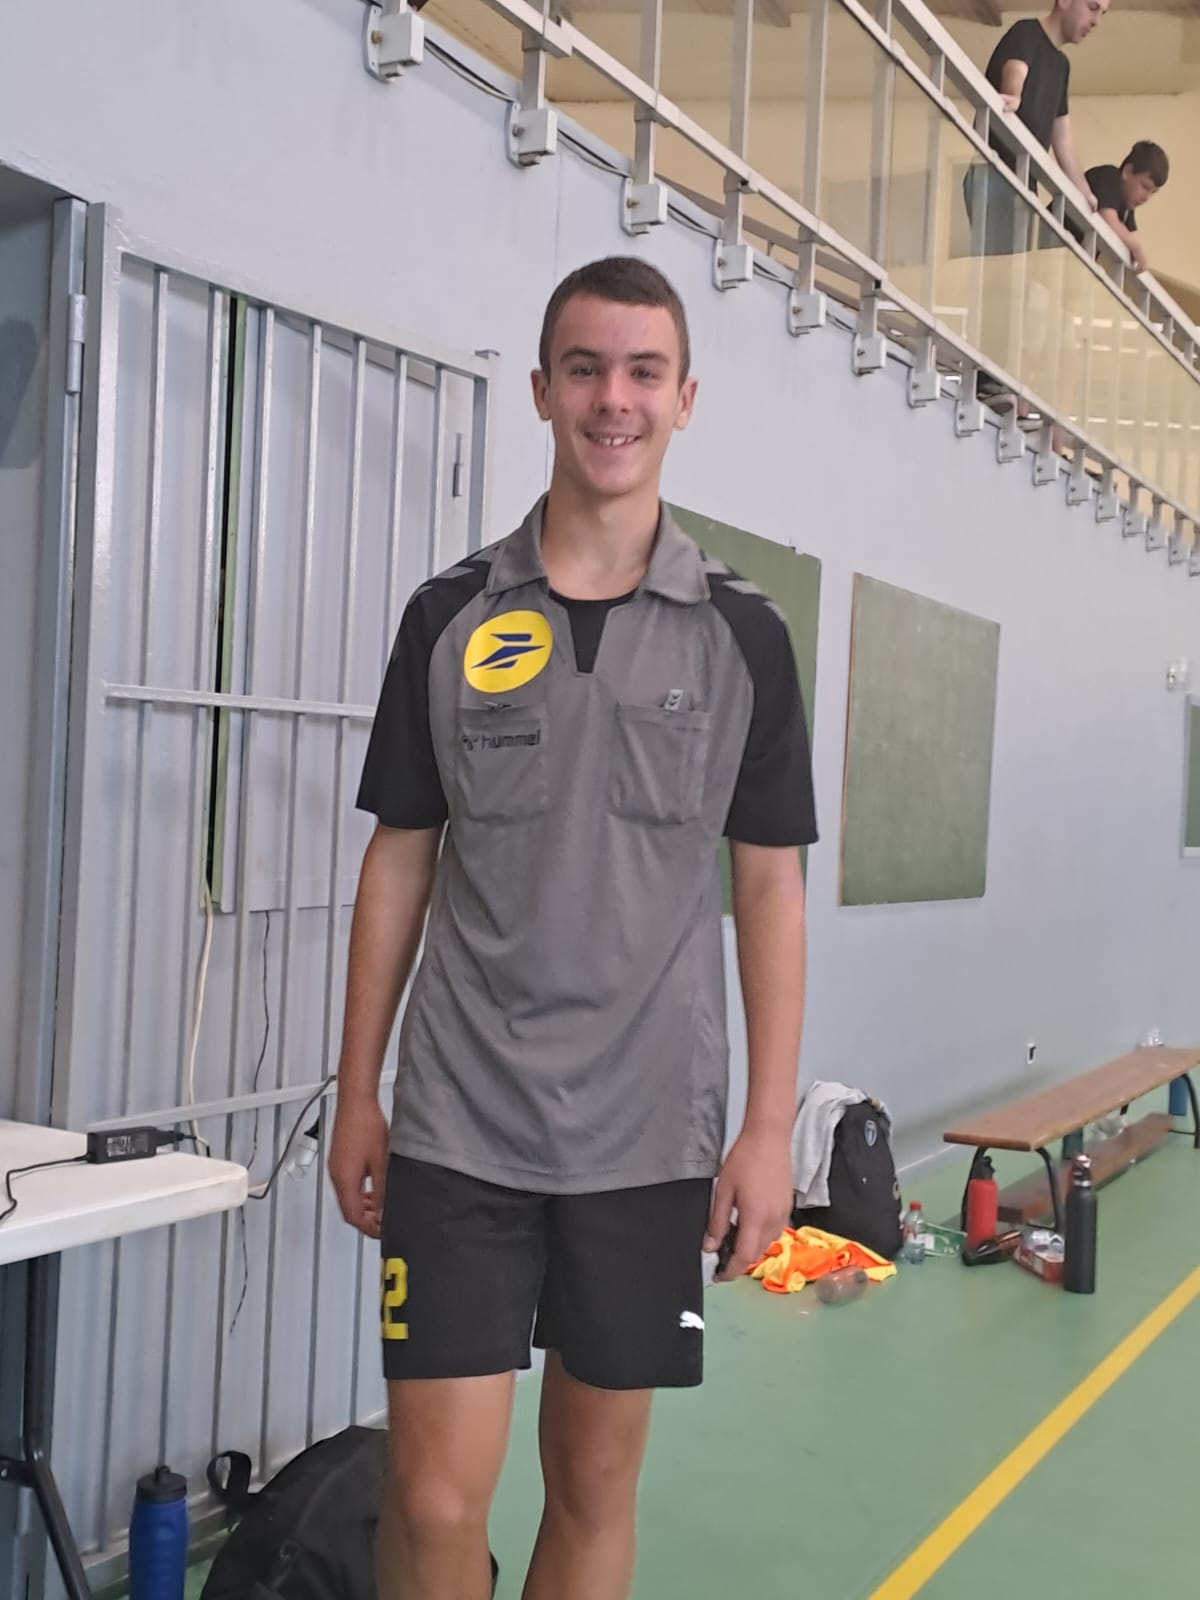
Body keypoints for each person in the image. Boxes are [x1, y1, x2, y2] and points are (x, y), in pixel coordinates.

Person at [329, 255, 817, 1600]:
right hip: (460, 1122)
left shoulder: (744, 637)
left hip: (647, 1136)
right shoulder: (449, 617)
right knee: (433, 1499)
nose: (615, 399)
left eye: (644, 371)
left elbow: (769, 888)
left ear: (685, 398)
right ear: (543, 390)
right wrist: (357, 1090)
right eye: (587, 369)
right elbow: (399, 859)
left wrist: (766, 1128)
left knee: (594, 1490)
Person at [967, 0, 1109, 257]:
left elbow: (1062, 138)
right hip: (994, 173)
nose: (1096, 21)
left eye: (1102, 13)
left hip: (1024, 185)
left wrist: (1085, 193)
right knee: (997, 267)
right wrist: (1014, 95)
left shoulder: (1062, 65)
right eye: (1092, 7)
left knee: (1011, 269)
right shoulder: (1026, 32)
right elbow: (1016, 69)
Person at [1084, 141, 1169, 275]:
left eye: (1153, 192)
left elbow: (1131, 235)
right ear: (1127, 171)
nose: (1147, 197)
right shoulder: (1108, 176)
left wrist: (1137, 251)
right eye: (1145, 187)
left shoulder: (1126, 208)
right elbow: (1108, 219)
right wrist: (1136, 248)